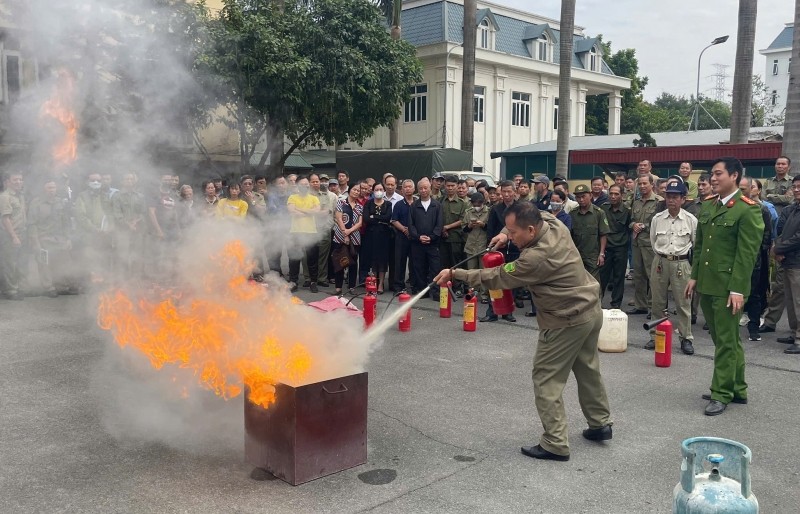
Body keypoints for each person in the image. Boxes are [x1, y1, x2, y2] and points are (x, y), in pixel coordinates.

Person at [434, 202, 613, 461]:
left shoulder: (535, 258)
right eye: (509, 231)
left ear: (530, 230)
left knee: (546, 378)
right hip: (589, 311)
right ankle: (600, 424)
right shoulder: (554, 224)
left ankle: (555, 443)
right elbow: (540, 213)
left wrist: (456, 273)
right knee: (587, 368)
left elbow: (498, 276)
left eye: (514, 233)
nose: (511, 237)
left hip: (564, 320)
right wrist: (506, 233)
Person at [685, 157, 763, 416]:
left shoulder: (747, 208)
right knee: (724, 340)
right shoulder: (708, 206)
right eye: (712, 174)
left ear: (735, 176)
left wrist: (738, 289)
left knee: (726, 342)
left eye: (718, 174)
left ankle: (721, 393)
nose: (713, 179)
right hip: (708, 283)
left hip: (729, 287)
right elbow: (700, 245)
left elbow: (746, 254)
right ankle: (738, 388)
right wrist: (694, 276)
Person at [647, 182, 697, 354]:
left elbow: (695, 245)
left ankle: (686, 338)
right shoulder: (657, 219)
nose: (671, 200)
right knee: (657, 302)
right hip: (660, 261)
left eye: (675, 197)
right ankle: (656, 335)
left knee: (683, 303)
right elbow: (653, 242)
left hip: (681, 264)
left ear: (683, 199)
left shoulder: (691, 220)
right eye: (668, 196)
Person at [760, 156, 795, 335]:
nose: (780, 166)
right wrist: (779, 248)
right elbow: (765, 198)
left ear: (789, 167)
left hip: (793, 250)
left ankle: (795, 331)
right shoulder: (768, 182)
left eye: (783, 164)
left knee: (794, 292)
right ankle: (770, 321)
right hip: (776, 234)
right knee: (780, 286)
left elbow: (787, 199)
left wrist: (774, 197)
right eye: (778, 163)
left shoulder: (792, 183)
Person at [738, 177, 773, 342]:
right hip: (735, 257)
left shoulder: (761, 209)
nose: (743, 191)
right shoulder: (732, 207)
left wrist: (757, 253)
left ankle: (753, 328)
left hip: (754, 258)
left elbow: (766, 235)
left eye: (747, 188)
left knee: (754, 294)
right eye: (741, 188)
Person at [28, 180, 74, 297]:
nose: (52, 190)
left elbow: (66, 222)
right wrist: (35, 242)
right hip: (43, 239)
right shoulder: (36, 203)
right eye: (49, 188)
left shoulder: (61, 202)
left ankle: (61, 286)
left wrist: (68, 238)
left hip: (60, 239)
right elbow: (32, 224)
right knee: (44, 264)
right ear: (44, 189)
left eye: (53, 187)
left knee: (62, 262)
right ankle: (49, 288)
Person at [482, 180, 519, 322]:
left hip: (515, 250)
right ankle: (492, 311)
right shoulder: (495, 209)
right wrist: (490, 247)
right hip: (499, 250)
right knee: (495, 280)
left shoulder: (521, 208)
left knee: (512, 280)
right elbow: (490, 230)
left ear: (514, 192)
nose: (507, 194)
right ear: (501, 193)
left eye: (510, 191)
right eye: (504, 192)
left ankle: (508, 312)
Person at [628, 174, 662, 316]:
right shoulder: (635, 202)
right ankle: (640, 305)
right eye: (640, 184)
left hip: (650, 244)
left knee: (652, 276)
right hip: (636, 244)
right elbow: (630, 220)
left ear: (651, 184)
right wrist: (633, 224)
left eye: (644, 184)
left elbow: (660, 222)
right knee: (638, 275)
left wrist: (644, 226)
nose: (642, 186)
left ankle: (653, 306)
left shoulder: (659, 201)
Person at [772, 175, 800, 354]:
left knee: (798, 301)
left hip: (797, 262)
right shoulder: (794, 209)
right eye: (795, 187)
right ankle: (794, 332)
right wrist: (779, 248)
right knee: (790, 301)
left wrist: (779, 248)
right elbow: (782, 231)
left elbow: (798, 238)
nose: (796, 190)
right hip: (788, 260)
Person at [408, 178, 443, 300]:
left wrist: (432, 237)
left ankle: (435, 290)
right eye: (421, 188)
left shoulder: (437, 205)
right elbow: (410, 225)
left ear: (430, 188)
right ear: (418, 190)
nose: (423, 190)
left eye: (425, 188)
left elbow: (439, 225)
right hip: (417, 243)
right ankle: (422, 291)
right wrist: (418, 237)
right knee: (419, 267)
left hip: (433, 244)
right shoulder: (414, 206)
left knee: (435, 267)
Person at [286, 177, 320, 293]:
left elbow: (316, 211)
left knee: (312, 260)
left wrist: (299, 210)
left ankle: (313, 282)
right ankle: (293, 282)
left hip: (311, 232)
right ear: (297, 185)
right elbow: (291, 211)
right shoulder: (292, 197)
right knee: (294, 258)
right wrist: (308, 212)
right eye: (302, 184)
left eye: (306, 184)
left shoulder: (314, 198)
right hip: (295, 232)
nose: (305, 186)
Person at [600, 185, 631, 309]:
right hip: (606, 248)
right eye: (611, 193)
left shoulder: (627, 210)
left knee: (619, 277)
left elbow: (630, 227)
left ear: (622, 195)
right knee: (602, 277)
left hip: (620, 248)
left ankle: (616, 304)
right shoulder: (603, 209)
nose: (613, 196)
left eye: (616, 194)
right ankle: (597, 302)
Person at [570, 184, 609, 282]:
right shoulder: (572, 214)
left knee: (593, 282)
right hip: (577, 255)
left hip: (593, 255)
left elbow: (603, 234)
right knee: (578, 282)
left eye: (583, 196)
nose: (581, 199)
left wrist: (601, 254)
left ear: (590, 196)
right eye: (578, 197)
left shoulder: (599, 213)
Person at [112, 173, 146, 281]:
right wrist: (128, 225)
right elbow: (117, 214)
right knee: (122, 256)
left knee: (137, 256)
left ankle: (135, 279)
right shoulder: (117, 196)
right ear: (122, 181)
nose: (129, 181)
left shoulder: (140, 196)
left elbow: (143, 212)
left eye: (131, 179)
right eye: (127, 179)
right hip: (122, 231)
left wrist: (136, 222)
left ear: (135, 181)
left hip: (137, 230)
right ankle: (122, 280)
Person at [362, 183, 393, 293]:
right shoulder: (368, 203)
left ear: (384, 191)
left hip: (384, 236)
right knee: (373, 260)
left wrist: (374, 216)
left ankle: (381, 284)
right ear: (373, 191)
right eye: (376, 189)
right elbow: (366, 218)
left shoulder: (388, 204)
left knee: (383, 260)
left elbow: (388, 217)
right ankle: (374, 282)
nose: (378, 191)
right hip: (371, 235)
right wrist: (380, 219)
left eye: (381, 189)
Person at [333, 185, 363, 294]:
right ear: (349, 190)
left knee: (353, 263)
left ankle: (351, 287)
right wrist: (345, 233)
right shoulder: (341, 203)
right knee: (340, 261)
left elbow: (360, 223)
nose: (356, 192)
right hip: (340, 236)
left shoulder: (360, 206)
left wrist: (349, 231)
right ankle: (338, 287)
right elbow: (339, 218)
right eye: (354, 189)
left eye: (358, 191)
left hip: (354, 238)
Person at [440, 175, 468, 295]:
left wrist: (448, 227)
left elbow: (463, 220)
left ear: (457, 187)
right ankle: (444, 286)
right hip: (441, 237)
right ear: (445, 186)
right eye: (448, 186)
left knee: (455, 263)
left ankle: (456, 287)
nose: (450, 188)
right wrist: (442, 228)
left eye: (453, 186)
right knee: (443, 263)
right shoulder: (440, 201)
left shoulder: (463, 203)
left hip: (456, 238)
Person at [462, 192, 489, 302]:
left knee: (484, 272)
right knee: (472, 272)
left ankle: (484, 295)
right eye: (475, 204)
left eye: (479, 204)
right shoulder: (468, 212)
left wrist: (483, 225)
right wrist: (469, 226)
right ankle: (472, 292)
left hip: (483, 245)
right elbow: (463, 229)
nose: (477, 206)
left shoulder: (489, 212)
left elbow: (491, 228)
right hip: (471, 245)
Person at [310, 173, 336, 288]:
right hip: (311, 228)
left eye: (326, 180)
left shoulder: (331, 196)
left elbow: (332, 212)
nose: (323, 182)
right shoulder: (310, 195)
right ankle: (309, 278)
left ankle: (322, 278)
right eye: (321, 180)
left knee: (323, 256)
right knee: (309, 255)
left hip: (325, 228)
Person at [391, 179, 417, 292]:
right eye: (405, 187)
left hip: (415, 237)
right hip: (401, 236)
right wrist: (404, 229)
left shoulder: (418, 203)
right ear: (402, 190)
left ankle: (413, 285)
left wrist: (413, 231)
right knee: (400, 262)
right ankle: (398, 286)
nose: (407, 189)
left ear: (414, 189)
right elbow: (394, 220)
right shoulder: (399, 204)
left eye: (410, 187)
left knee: (414, 262)